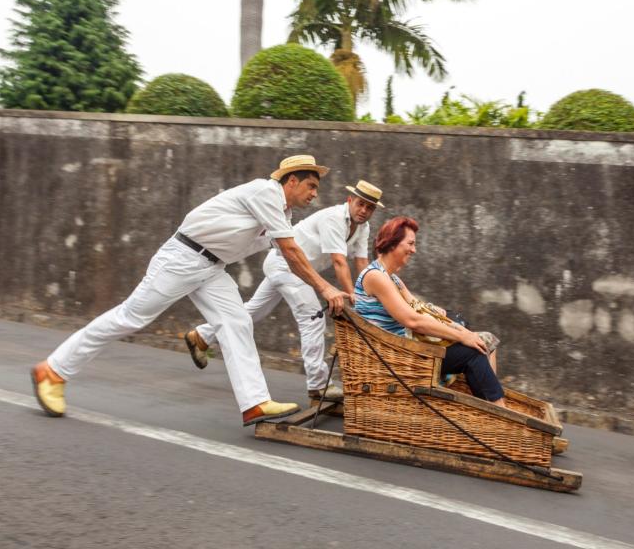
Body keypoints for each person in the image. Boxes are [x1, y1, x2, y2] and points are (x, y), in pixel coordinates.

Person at [30, 155, 351, 426]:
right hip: (182, 258)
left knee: (237, 322)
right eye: (311, 186)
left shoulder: (282, 214)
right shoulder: (266, 193)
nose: (314, 195)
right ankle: (53, 370)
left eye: (317, 189)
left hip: (211, 268)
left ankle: (255, 402)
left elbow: (286, 250)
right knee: (130, 318)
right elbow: (291, 252)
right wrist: (325, 287)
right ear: (290, 181)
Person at [183, 180, 384, 401]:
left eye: (369, 207)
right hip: (285, 266)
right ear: (350, 200)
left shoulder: (363, 227)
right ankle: (318, 386)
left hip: (292, 269)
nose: (364, 211)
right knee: (313, 319)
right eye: (360, 204)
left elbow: (362, 261)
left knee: (253, 311)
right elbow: (339, 261)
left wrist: (366, 295)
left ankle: (201, 336)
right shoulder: (334, 218)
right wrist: (353, 296)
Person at [354, 216, 505, 407]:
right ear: (392, 243)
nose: (414, 250)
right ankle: (499, 413)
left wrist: (464, 332)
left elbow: (423, 311)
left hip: (404, 346)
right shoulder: (375, 276)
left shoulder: (392, 279)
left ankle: (489, 409)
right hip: (394, 354)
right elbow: (413, 321)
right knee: (473, 352)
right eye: (410, 243)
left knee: (484, 341)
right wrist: (461, 337)